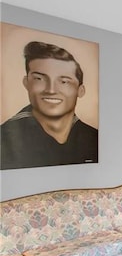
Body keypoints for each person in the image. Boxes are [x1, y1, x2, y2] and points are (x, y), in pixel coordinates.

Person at [1, 41, 98, 169]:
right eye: (39, 79)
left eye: (64, 81)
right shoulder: (5, 138)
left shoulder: (95, 139)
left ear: (80, 90)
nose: (51, 90)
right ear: (26, 83)